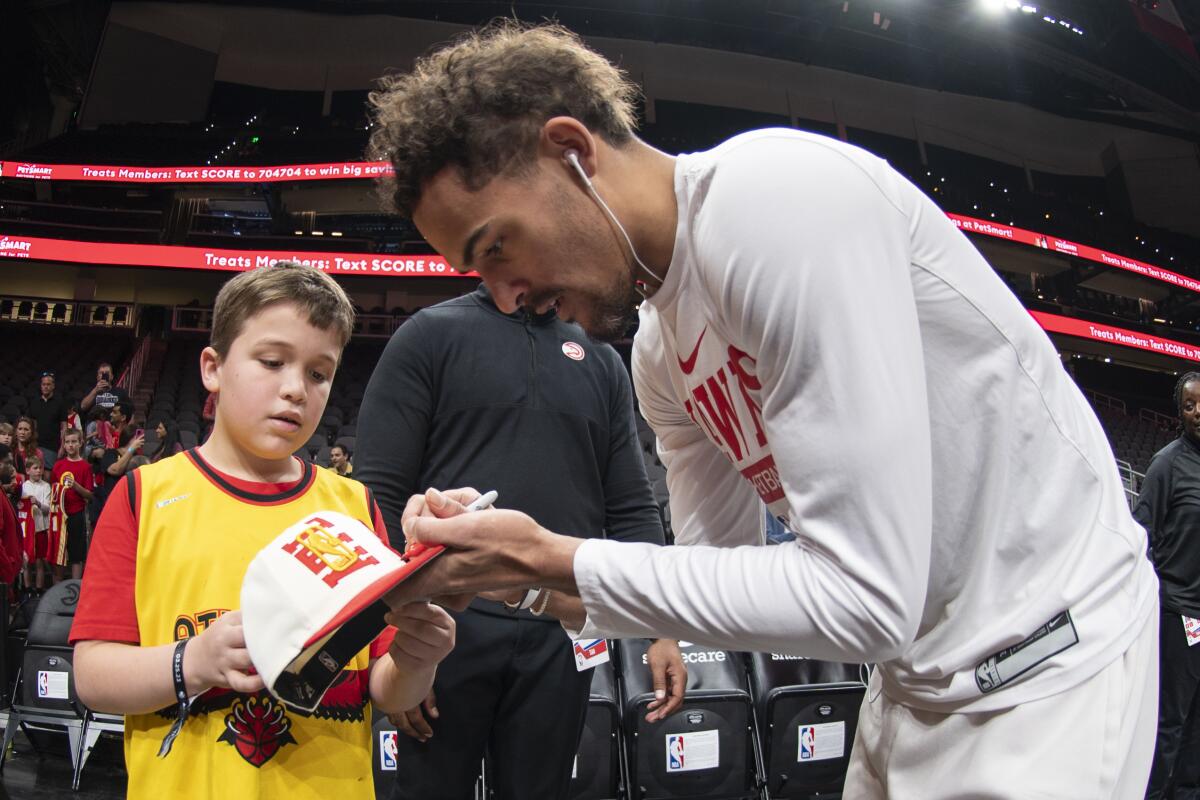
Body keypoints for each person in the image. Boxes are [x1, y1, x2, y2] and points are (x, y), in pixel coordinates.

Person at [367, 22, 1159, 797]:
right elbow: (721, 591)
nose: (503, 293)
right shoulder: (658, 355)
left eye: (496, 246)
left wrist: (546, 558)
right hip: (914, 687)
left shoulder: (774, 202)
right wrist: (514, 575)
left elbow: (864, 600)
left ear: (572, 152)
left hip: (1043, 668)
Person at [69, 262, 456, 800]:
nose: (296, 389)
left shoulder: (353, 503)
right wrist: (194, 662)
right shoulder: (143, 497)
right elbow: (91, 677)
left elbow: (387, 688)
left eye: (319, 374)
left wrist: (418, 657)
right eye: (272, 362)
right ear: (213, 368)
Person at [356, 283, 685, 800]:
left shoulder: (600, 357)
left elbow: (630, 506)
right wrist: (400, 646)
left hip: (562, 631)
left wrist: (661, 629)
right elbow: (376, 497)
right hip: (445, 626)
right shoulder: (429, 334)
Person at [1134, 372, 1200, 800]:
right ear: (1180, 412)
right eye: (1191, 405)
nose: (1199, 412)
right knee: (1171, 721)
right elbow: (1140, 536)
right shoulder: (1167, 463)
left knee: (1197, 722)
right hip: (1180, 613)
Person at [50, 429, 95, 581]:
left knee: (77, 553)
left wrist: (75, 485)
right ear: (64, 444)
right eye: (67, 442)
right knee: (59, 552)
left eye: (74, 442)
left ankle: (75, 588)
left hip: (77, 513)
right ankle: (58, 589)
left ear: (80, 443)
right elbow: (53, 489)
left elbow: (90, 495)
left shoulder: (85, 467)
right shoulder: (58, 465)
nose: (70, 445)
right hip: (60, 515)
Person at [17, 454, 52, 595]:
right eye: (35, 468)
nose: (38, 471)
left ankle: (39, 589)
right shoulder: (23, 487)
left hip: (40, 529)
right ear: (28, 470)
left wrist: (37, 503)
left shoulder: (46, 486)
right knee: (25, 561)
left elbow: (48, 509)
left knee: (39, 561)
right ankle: (27, 588)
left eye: (41, 468)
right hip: (26, 530)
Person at [30, 371, 67, 453]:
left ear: (53, 386)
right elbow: (32, 425)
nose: (46, 387)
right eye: (44, 384)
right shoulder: (34, 402)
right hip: (36, 445)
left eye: (48, 384)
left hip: (53, 447)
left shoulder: (60, 402)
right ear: (41, 386)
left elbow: (64, 427)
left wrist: (63, 446)